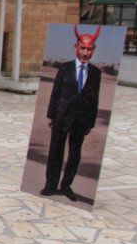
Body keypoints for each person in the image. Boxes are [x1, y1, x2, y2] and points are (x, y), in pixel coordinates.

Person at [41, 25, 102, 203]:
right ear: (76, 47)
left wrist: (90, 122)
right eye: (82, 48)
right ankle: (51, 185)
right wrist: (51, 114)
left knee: (74, 153)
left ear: (93, 50)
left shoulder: (96, 73)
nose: (85, 52)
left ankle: (66, 185)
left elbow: (94, 98)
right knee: (55, 151)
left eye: (89, 49)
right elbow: (56, 92)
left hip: (81, 120)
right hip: (61, 116)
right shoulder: (65, 68)